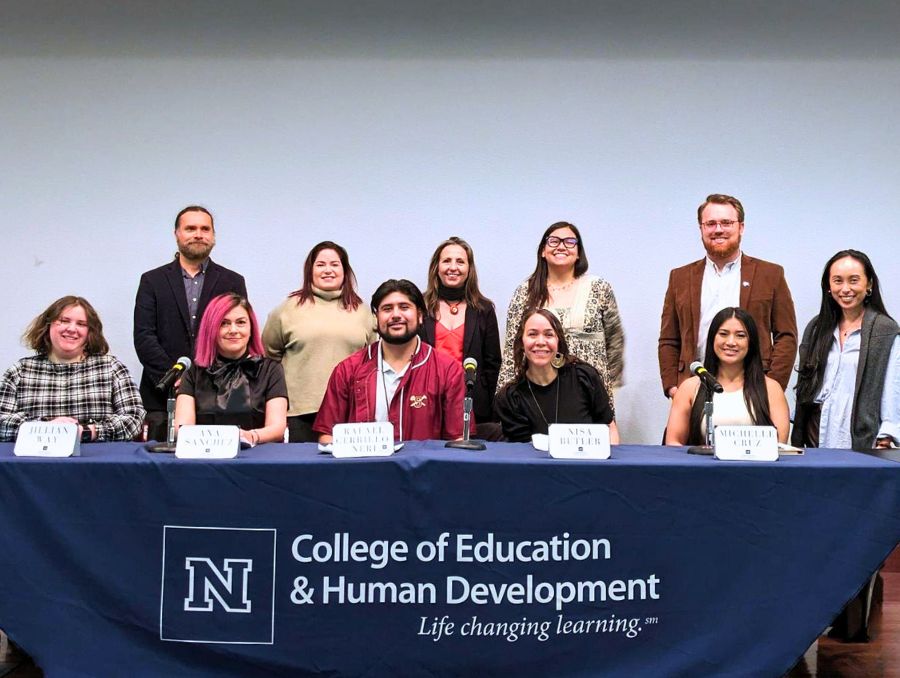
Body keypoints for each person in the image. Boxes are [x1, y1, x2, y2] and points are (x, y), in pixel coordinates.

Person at [658, 194, 797, 398]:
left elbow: (786, 336)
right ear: (701, 229)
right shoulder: (679, 277)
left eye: (726, 222)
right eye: (711, 223)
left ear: (741, 227)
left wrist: (772, 385)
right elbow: (669, 338)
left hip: (753, 388)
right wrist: (673, 387)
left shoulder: (771, 274)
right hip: (693, 386)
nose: (718, 229)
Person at [134, 205, 247, 441]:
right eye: (191, 228)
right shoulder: (152, 281)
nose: (198, 234)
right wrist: (177, 378)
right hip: (163, 397)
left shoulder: (232, 281)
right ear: (177, 234)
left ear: (213, 236)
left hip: (219, 395)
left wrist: (203, 380)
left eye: (205, 229)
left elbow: (236, 335)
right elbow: (144, 336)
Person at [314, 279, 466, 443]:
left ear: (420, 316)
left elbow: (457, 438)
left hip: (424, 468)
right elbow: (327, 435)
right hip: (362, 466)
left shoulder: (447, 370)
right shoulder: (348, 370)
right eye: (387, 309)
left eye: (404, 307)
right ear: (376, 318)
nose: (395, 315)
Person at [497, 222, 625, 407]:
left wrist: (607, 387)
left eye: (570, 241)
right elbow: (512, 349)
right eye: (554, 241)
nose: (561, 246)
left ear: (579, 252)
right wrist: (504, 395)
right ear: (543, 251)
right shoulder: (525, 292)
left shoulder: (599, 288)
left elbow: (615, 342)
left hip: (589, 393)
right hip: (537, 391)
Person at [263, 241, 375, 442]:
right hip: (300, 412)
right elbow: (270, 355)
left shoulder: (363, 311)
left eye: (334, 264)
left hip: (350, 411)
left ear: (345, 270)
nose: (328, 270)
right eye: (321, 264)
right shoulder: (288, 309)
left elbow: (372, 359)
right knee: (302, 471)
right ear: (310, 270)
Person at [793, 250, 899, 451]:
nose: (845, 289)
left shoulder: (885, 330)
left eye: (854, 280)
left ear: (869, 285)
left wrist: (887, 433)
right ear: (828, 286)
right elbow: (805, 387)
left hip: (860, 434)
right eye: (838, 281)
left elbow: (892, 386)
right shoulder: (816, 328)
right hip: (816, 431)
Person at [0, 296, 145, 442]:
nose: (72, 329)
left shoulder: (112, 368)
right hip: (36, 462)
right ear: (47, 325)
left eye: (81, 324)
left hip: (97, 460)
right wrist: (45, 428)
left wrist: (86, 431)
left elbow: (134, 419)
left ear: (90, 332)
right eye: (64, 321)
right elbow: (2, 421)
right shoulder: (20, 371)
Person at [665, 307, 790, 445]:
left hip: (755, 466)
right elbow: (673, 442)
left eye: (740, 335)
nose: (731, 342)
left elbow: (779, 445)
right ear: (712, 339)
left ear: (751, 342)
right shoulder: (690, 387)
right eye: (723, 334)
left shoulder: (771, 388)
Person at [174, 293, 287, 446]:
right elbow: (182, 428)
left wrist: (249, 436)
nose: (233, 330)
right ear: (211, 328)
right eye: (224, 323)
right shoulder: (194, 373)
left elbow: (277, 428)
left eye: (240, 322)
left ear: (251, 327)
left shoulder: (271, 370)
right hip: (205, 456)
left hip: (258, 456)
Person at [494, 309, 619, 443]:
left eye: (549, 335)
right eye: (532, 334)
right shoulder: (510, 399)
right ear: (522, 342)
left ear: (558, 342)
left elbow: (609, 429)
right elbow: (523, 454)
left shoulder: (584, 377)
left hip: (590, 463)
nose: (541, 341)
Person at [420, 236, 501, 427]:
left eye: (460, 261)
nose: (453, 267)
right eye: (446, 261)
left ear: (469, 269)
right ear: (436, 267)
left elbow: (493, 364)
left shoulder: (484, 309)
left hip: (473, 406)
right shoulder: (419, 307)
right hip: (427, 402)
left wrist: (489, 406)